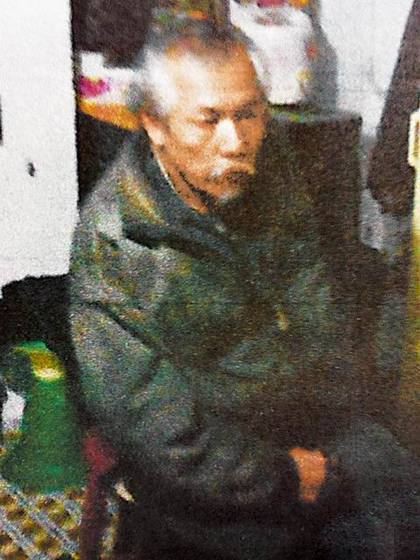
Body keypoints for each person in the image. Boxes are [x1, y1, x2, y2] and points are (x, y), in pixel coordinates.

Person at [68, 18, 420, 560]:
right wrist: (284, 475)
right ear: (155, 125)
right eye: (208, 120)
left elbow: (309, 284)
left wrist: (336, 402)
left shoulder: (265, 158)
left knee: (403, 508)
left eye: (249, 113)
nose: (235, 142)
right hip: (214, 468)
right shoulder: (116, 247)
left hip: (310, 418)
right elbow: (162, 435)